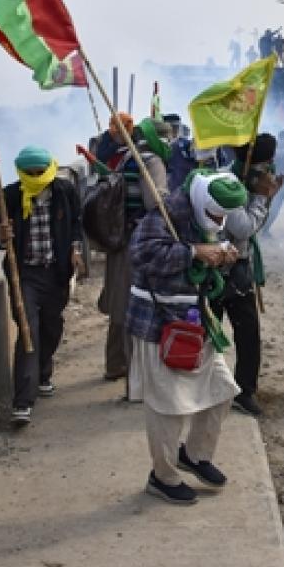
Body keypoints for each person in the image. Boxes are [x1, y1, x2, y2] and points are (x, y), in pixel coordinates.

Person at [127, 171, 249, 505]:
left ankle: (195, 455)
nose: (220, 221)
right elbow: (142, 256)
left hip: (197, 320)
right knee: (168, 406)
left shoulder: (205, 216)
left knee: (222, 389)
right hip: (159, 323)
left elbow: (202, 262)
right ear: (202, 202)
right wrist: (193, 252)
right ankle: (162, 476)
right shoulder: (165, 214)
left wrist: (220, 256)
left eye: (225, 217)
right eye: (216, 215)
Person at [0, 146, 85, 425]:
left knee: (51, 326)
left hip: (56, 273)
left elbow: (76, 224)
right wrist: (1, 235)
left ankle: (43, 371)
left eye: (39, 172)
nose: (35, 176)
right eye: (29, 173)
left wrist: (75, 249)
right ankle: (22, 401)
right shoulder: (9, 195)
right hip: (25, 275)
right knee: (27, 331)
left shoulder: (63, 192)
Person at [211, 133, 283, 417]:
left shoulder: (250, 183)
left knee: (249, 333)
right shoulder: (228, 185)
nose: (269, 172)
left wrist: (263, 197)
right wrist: (262, 199)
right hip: (218, 269)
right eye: (265, 166)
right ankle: (205, 387)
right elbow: (243, 228)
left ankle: (246, 390)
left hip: (240, 267)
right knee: (210, 332)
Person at [99, 114, 170, 387]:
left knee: (118, 300)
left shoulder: (126, 157)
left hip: (117, 238)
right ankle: (134, 379)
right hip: (137, 241)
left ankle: (114, 363)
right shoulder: (151, 162)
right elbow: (155, 202)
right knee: (134, 305)